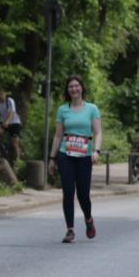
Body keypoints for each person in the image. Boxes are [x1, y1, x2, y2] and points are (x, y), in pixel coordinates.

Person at [47, 75, 102, 244]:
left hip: (84, 156)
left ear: (81, 88)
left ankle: (88, 219)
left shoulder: (92, 109)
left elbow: (98, 132)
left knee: (83, 194)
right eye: (70, 86)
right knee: (68, 192)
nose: (74, 89)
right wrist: (52, 158)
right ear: (67, 90)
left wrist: (97, 151)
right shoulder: (63, 110)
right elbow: (58, 135)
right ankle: (70, 230)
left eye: (76, 86)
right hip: (66, 154)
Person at [0, 90, 23, 162]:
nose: (0, 97)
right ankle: (1, 151)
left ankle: (18, 161)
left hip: (14, 122)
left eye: (2, 94)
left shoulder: (10, 101)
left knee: (14, 143)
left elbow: (11, 113)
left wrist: (7, 122)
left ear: (5, 94)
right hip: (3, 122)